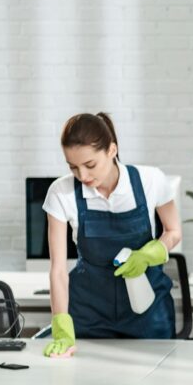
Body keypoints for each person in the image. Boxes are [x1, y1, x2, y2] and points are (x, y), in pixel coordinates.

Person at [41, 112, 182, 356]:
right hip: (88, 313)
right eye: (73, 167)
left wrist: (150, 254)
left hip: (147, 312)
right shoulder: (60, 193)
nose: (82, 176)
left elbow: (173, 232)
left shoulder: (150, 180)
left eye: (90, 165)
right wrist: (62, 327)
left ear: (112, 150)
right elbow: (58, 270)